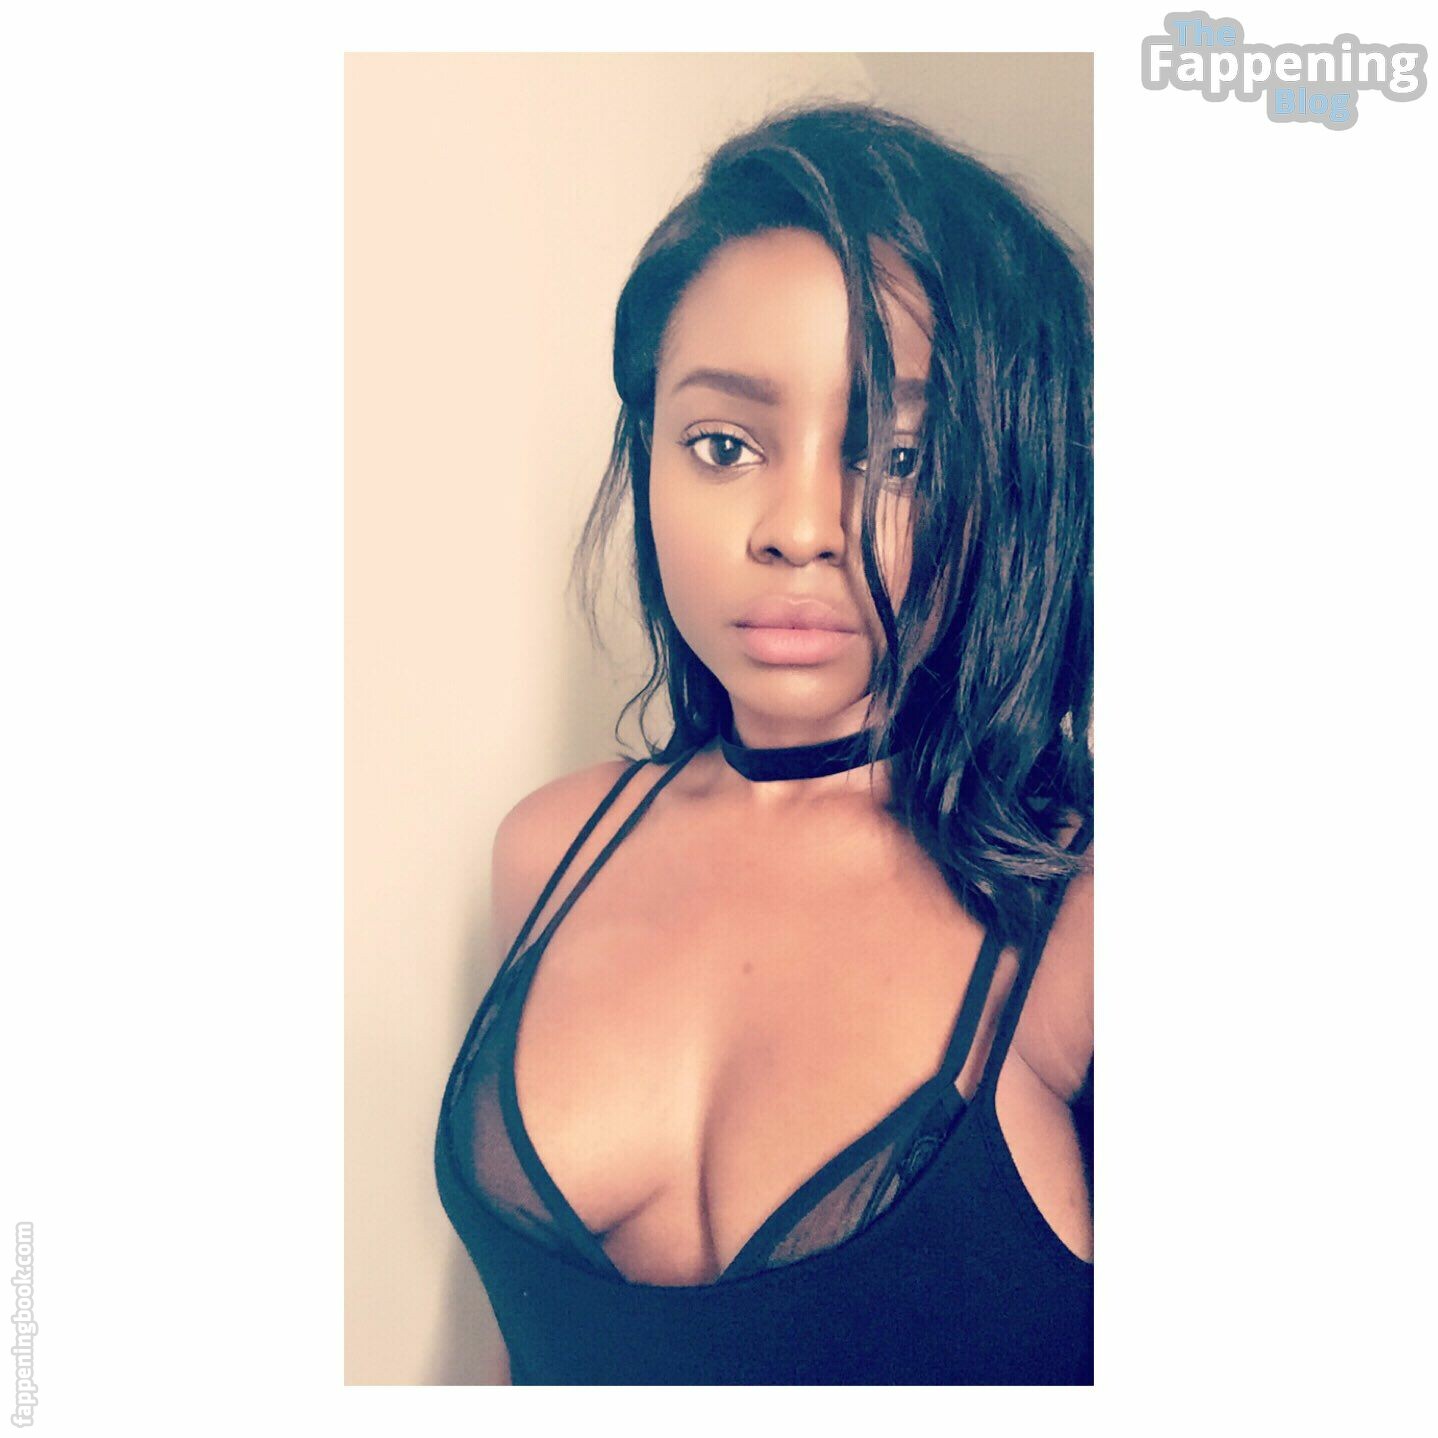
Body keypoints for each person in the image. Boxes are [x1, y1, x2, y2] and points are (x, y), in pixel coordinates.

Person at [434, 99, 1093, 1385]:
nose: (797, 526)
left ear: (1011, 488)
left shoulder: (1084, 918)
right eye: (724, 444)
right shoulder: (547, 851)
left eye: (901, 456)